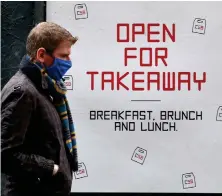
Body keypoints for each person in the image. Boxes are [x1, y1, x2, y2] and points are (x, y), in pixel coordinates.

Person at [1, 22, 79, 196]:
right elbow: (5, 155)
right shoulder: (22, 91)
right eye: (64, 56)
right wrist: (51, 168)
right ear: (42, 54)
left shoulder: (48, 88)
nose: (69, 62)